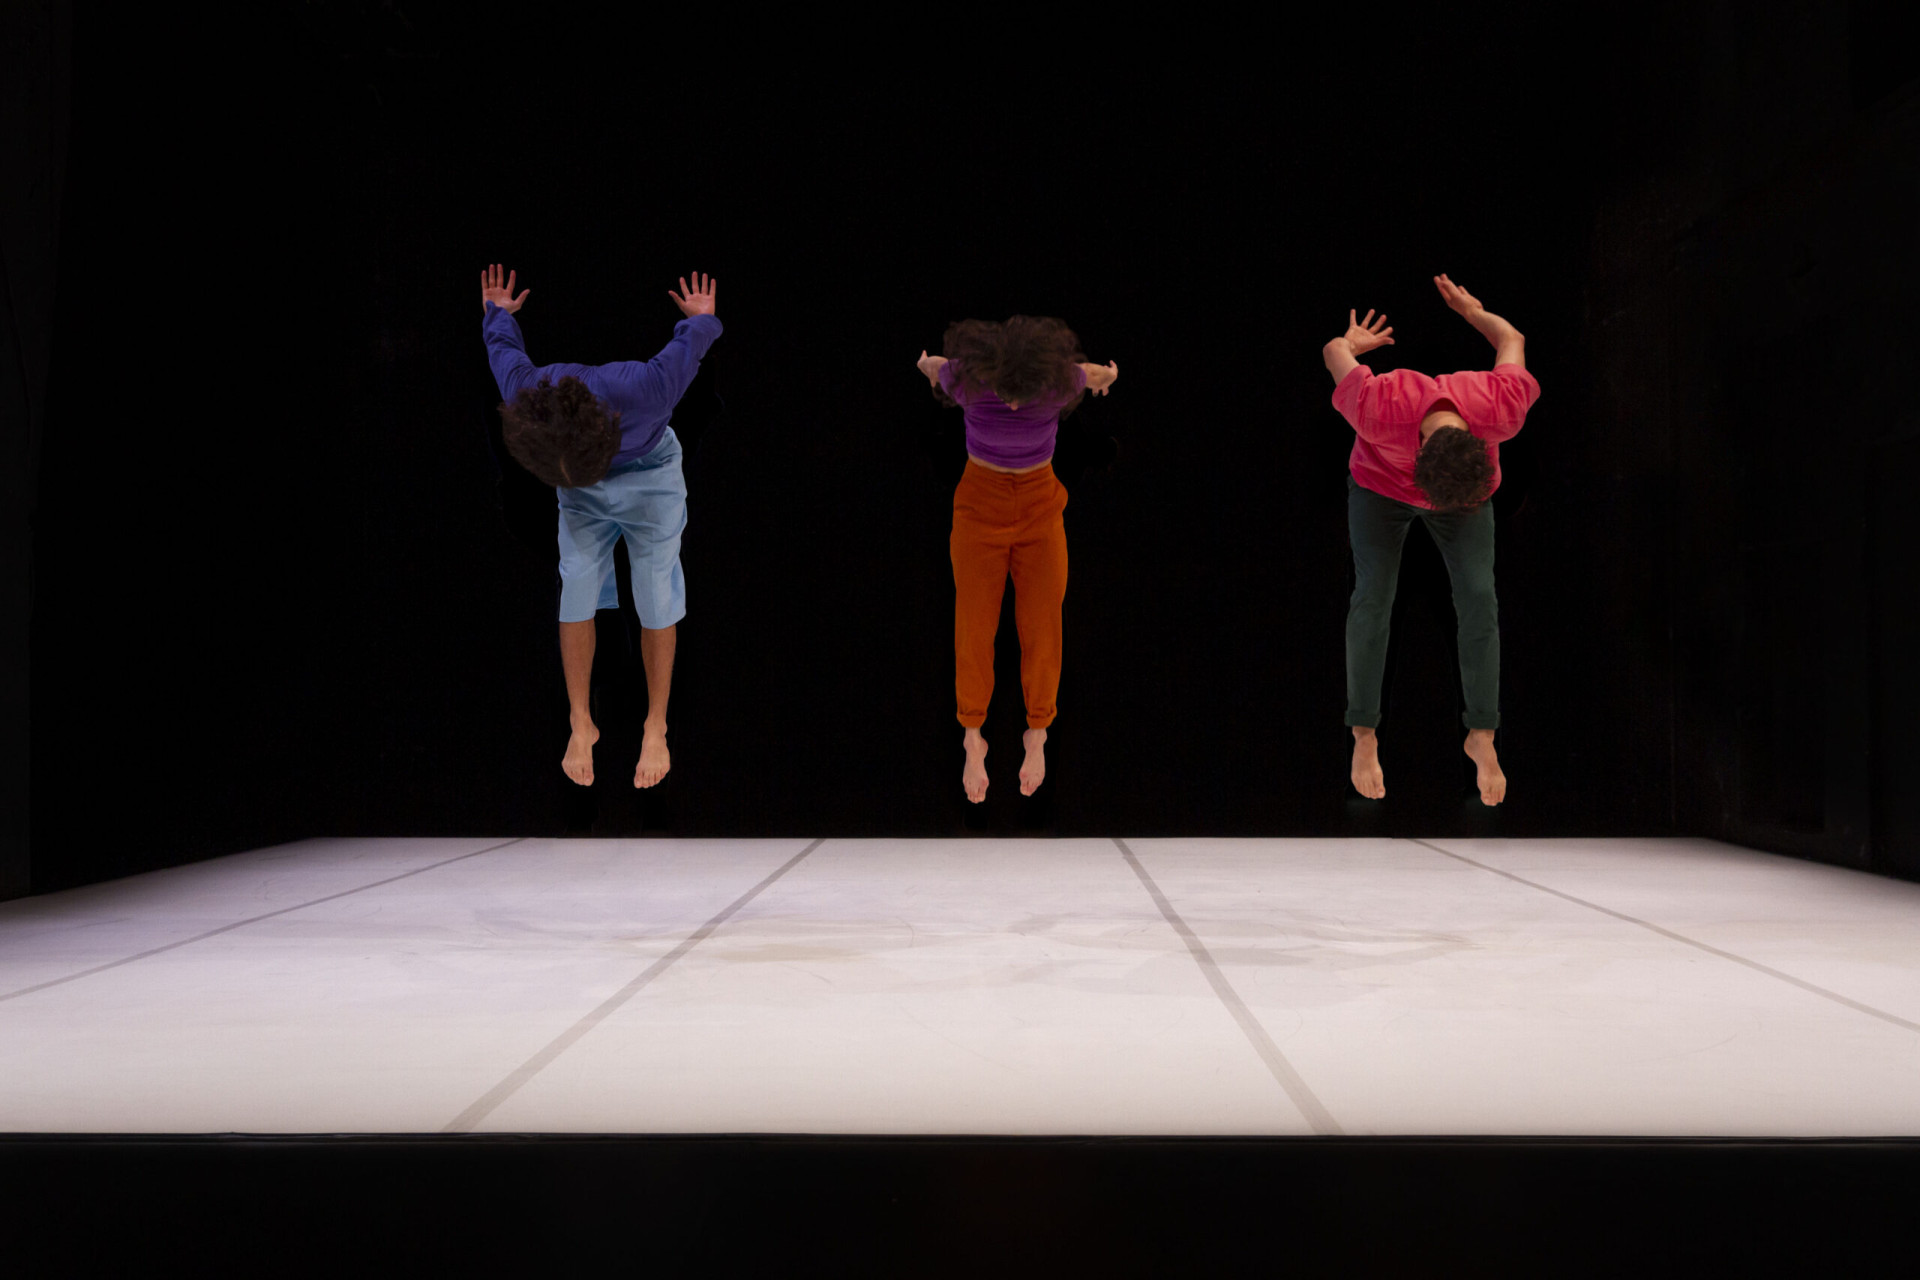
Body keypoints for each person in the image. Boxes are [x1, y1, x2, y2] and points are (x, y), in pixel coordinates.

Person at [479, 264, 722, 790]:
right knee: (577, 584)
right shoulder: (532, 394)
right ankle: (580, 721)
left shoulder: (647, 389)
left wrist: (701, 320)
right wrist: (496, 314)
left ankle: (655, 725)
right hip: (581, 490)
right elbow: (504, 353)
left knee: (655, 589)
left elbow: (691, 345)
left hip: (650, 476)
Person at [1322, 274, 1541, 806]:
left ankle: (1482, 736)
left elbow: (1512, 340)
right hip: (1380, 489)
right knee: (1374, 597)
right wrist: (1350, 345)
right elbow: (1333, 352)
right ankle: (1364, 734)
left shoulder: (1499, 408)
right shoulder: (1380, 405)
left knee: (1478, 599)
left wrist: (1474, 311)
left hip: (1465, 500)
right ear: (1416, 457)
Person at [915, 317, 1119, 802]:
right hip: (978, 507)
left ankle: (1038, 733)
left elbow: (1094, 374)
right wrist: (925, 365)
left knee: (1042, 624)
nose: (1009, 402)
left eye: (1020, 396)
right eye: (1002, 392)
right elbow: (936, 366)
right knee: (975, 625)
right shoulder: (966, 377)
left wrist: (1108, 377)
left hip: (1038, 506)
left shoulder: (1059, 379)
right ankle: (972, 737)